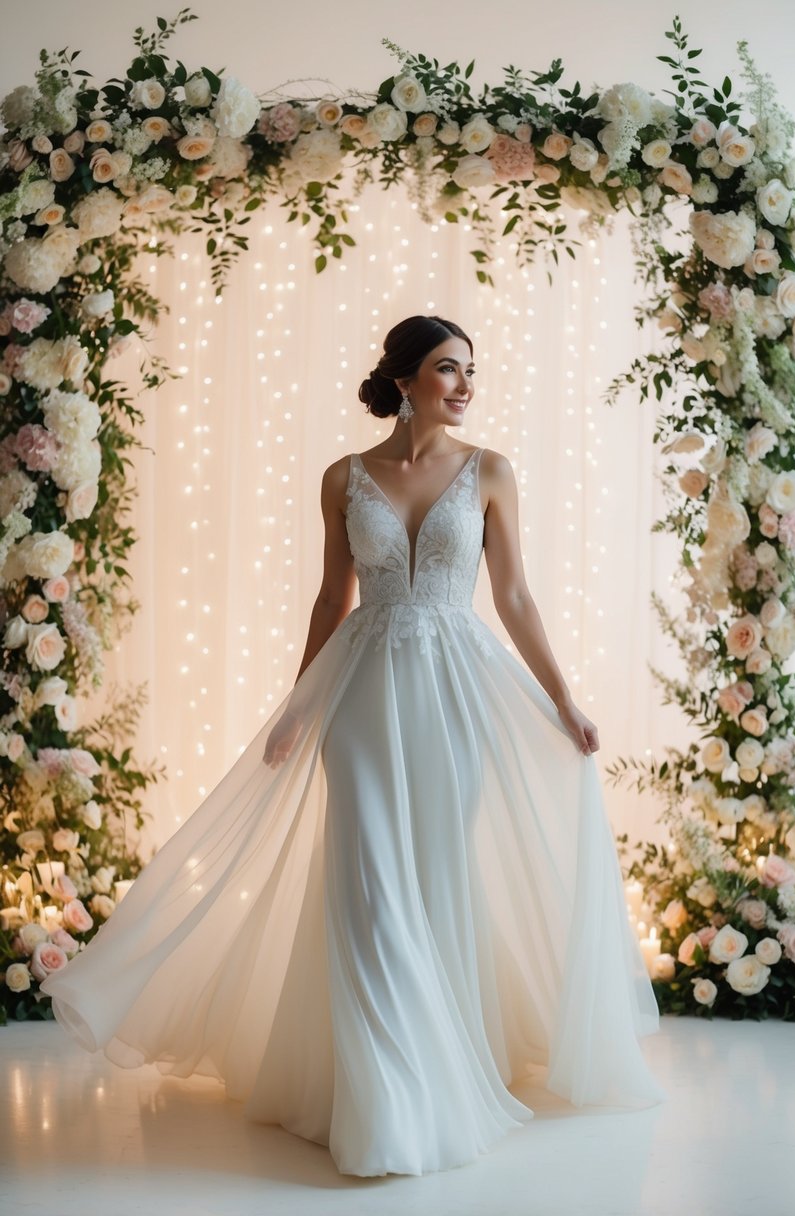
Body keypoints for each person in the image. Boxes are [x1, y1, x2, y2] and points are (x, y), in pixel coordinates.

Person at [40, 314, 666, 1178]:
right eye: (447, 369)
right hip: (363, 696)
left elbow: (514, 596)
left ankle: (441, 1075)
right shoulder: (342, 477)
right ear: (403, 379)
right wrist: (298, 707)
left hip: (458, 698)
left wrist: (564, 700)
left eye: (470, 372)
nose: (464, 384)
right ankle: (384, 1110)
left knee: (435, 881)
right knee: (369, 888)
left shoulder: (490, 473)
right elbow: (331, 600)